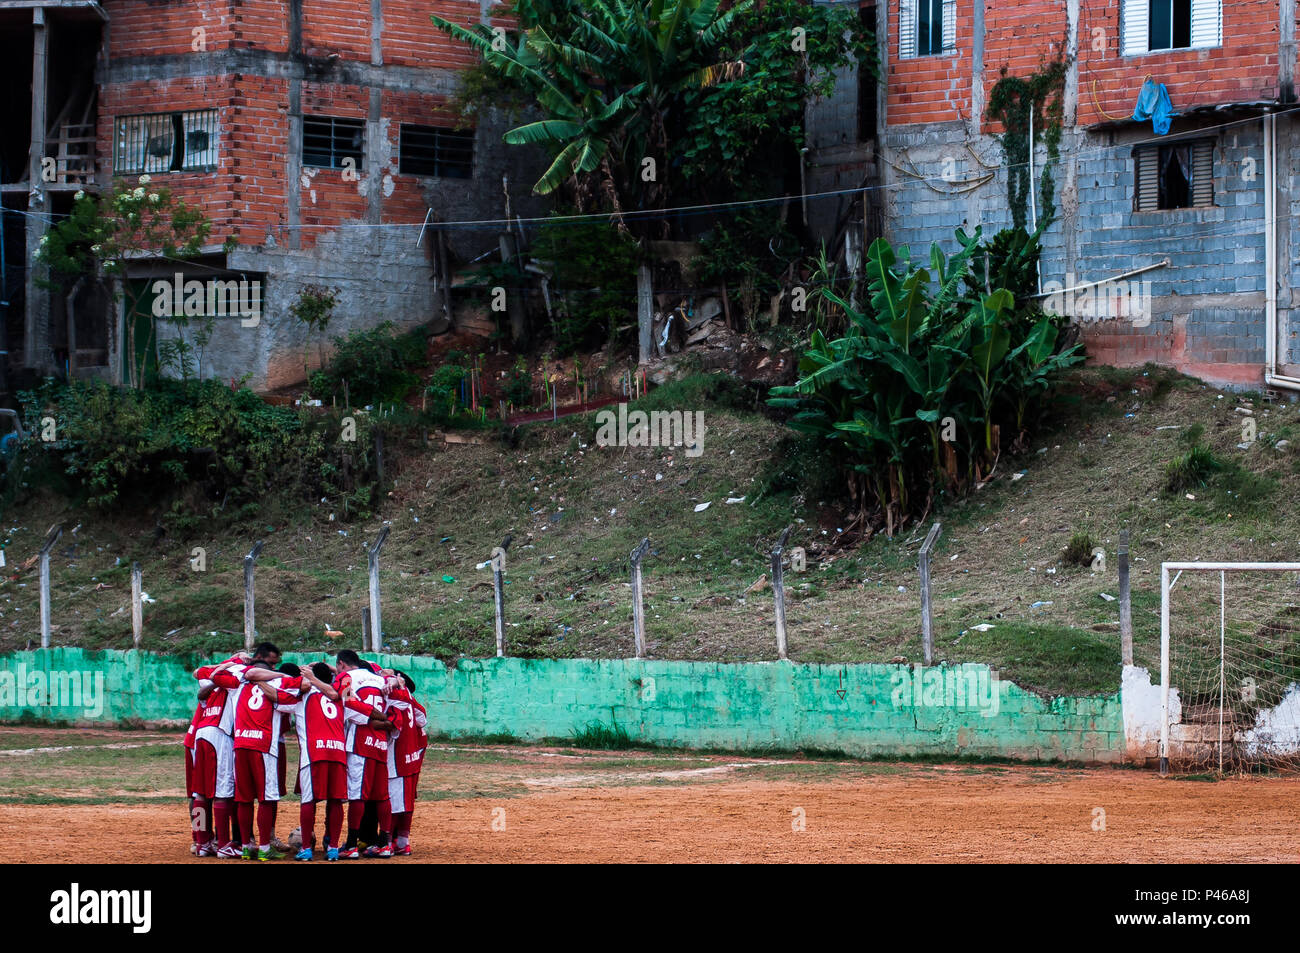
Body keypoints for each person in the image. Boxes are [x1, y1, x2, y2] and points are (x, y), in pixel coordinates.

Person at [228, 660, 302, 861]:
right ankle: (264, 847)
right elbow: (293, 701)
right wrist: (283, 677)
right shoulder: (279, 683)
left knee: (243, 798)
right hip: (264, 746)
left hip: (240, 744)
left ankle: (245, 847)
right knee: (266, 798)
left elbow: (206, 674)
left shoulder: (239, 684)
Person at [334, 649, 393, 858]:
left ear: (341, 664)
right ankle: (385, 843)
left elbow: (346, 700)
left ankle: (351, 845)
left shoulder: (346, 677)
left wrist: (370, 715)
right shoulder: (379, 680)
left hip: (361, 740)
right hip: (381, 743)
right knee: (382, 796)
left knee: (357, 795)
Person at [292, 662, 348, 861]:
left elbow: (279, 695)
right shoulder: (341, 694)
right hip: (338, 753)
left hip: (314, 753)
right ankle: (332, 848)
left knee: (308, 800)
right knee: (335, 801)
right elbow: (343, 689)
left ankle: (306, 848)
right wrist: (330, 671)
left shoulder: (303, 692)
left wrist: (308, 676)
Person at [384, 671, 428, 856]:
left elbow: (394, 726)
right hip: (412, 758)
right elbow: (422, 720)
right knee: (406, 801)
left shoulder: (396, 701)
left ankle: (389, 842)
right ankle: (400, 840)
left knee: (394, 803)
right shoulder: (411, 701)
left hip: (398, 758)